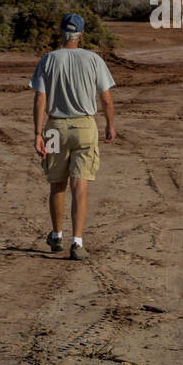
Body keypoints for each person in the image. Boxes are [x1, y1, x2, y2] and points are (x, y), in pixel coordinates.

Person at [28, 13, 116, 261]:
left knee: (57, 183)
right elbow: (106, 98)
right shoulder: (93, 59)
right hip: (85, 128)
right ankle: (77, 242)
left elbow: (40, 98)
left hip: (55, 127)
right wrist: (110, 124)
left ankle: (57, 235)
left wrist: (37, 133)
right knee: (80, 185)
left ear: (61, 33)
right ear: (81, 35)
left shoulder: (48, 60)